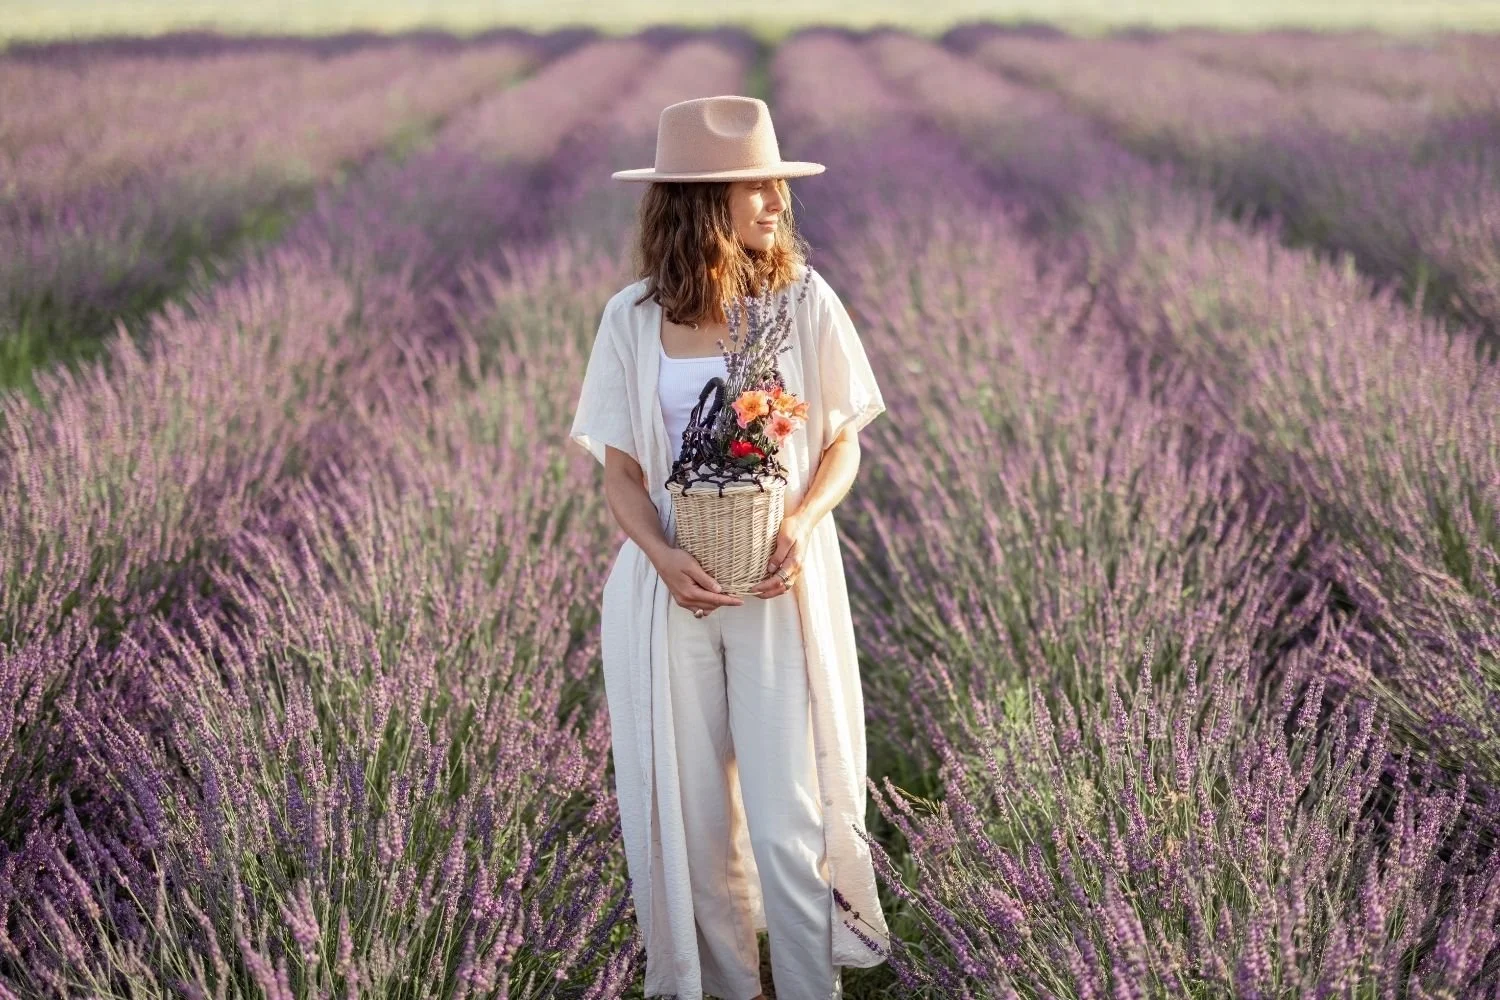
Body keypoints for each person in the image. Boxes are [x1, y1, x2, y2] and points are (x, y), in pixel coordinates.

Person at [569, 95, 891, 1000]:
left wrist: (799, 522)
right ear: (701, 201)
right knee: (695, 823)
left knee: (789, 819)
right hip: (668, 593)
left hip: (778, 586)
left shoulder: (803, 302)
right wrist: (662, 557)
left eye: (776, 184)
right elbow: (621, 474)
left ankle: (809, 987)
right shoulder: (631, 318)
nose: (776, 201)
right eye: (755, 186)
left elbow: (843, 444)